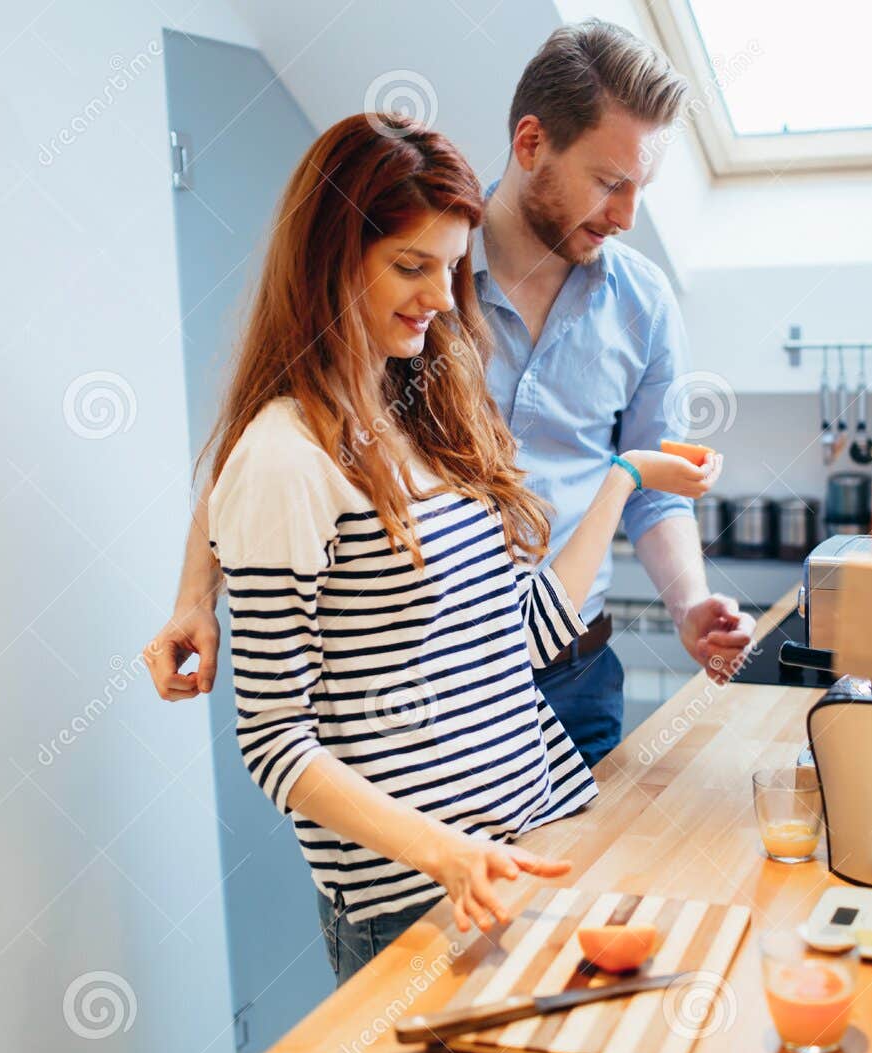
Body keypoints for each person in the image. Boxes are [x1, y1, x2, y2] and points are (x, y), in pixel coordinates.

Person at [194, 112, 720, 984]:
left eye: (448, 265)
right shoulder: (285, 460)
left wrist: (624, 474)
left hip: (530, 845)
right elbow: (275, 739)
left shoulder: (425, 418)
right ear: (330, 260)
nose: (442, 296)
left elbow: (524, 633)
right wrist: (447, 853)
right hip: (414, 893)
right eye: (411, 265)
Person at [148, 20, 755, 767]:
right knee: (409, 876)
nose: (628, 216)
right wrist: (193, 594)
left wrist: (691, 605)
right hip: (423, 681)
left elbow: (655, 490)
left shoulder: (644, 303)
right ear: (531, 144)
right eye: (608, 183)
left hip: (576, 673)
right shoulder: (414, 286)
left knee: (573, 883)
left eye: (643, 189)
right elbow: (273, 436)